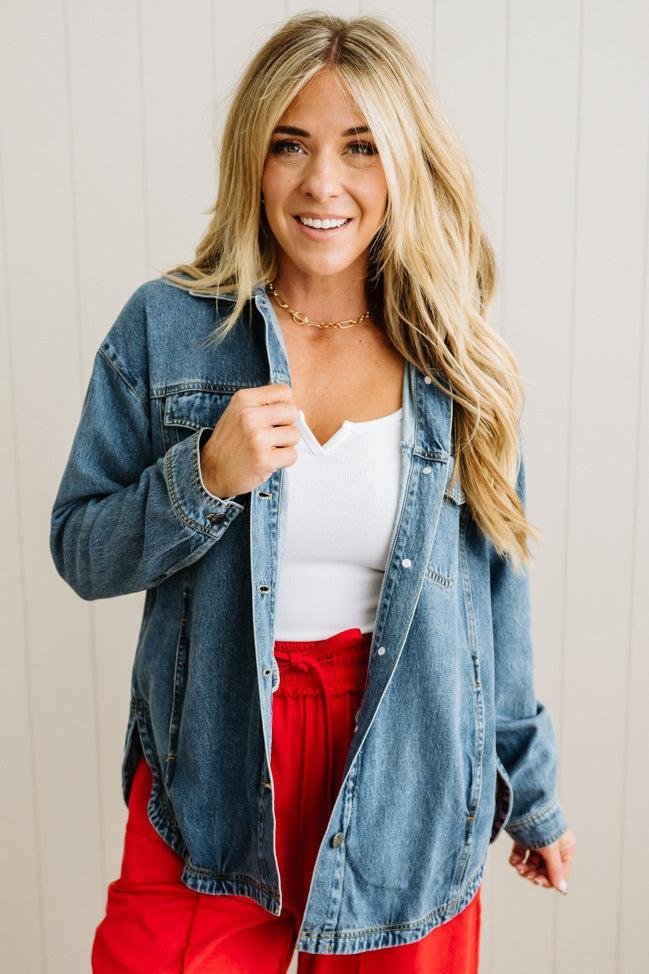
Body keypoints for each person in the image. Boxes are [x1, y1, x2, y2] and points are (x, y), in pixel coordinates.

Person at [49, 11, 576, 972]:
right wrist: (201, 478)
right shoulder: (167, 327)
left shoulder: (454, 359)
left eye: (360, 148)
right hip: (213, 766)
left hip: (412, 765)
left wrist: (529, 793)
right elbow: (79, 548)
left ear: (404, 163)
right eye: (290, 144)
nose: (321, 183)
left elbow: (495, 607)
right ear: (253, 156)